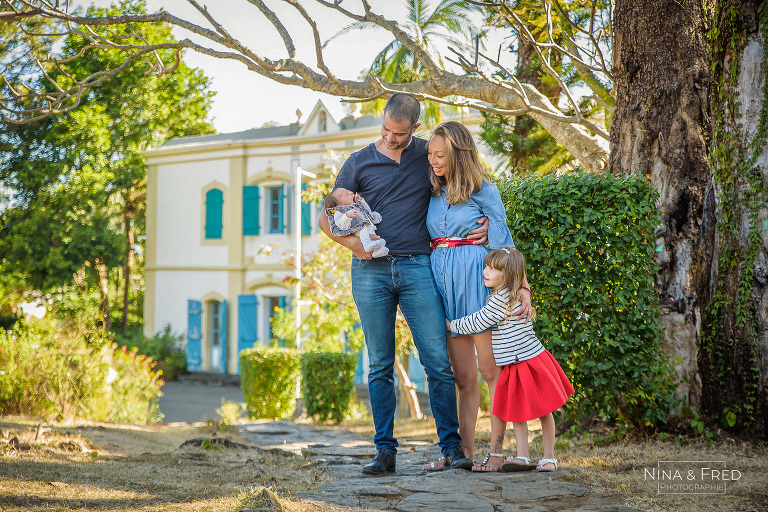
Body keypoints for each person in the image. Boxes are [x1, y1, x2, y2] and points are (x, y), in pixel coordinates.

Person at [318, 93, 483, 475]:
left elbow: (472, 184)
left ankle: (451, 449)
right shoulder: (357, 162)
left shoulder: (430, 154)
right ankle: (384, 452)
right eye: (386, 130)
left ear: (415, 128)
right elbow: (326, 217)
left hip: (417, 267)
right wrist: (354, 246)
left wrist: (487, 220)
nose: (391, 138)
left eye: (399, 133)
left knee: (437, 362)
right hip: (370, 272)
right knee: (379, 364)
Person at [424, 121, 532, 470]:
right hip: (445, 289)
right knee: (463, 378)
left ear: (458, 154)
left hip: (477, 288)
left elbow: (506, 249)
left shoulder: (484, 191)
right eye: (430, 155)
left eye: (440, 155)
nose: (434, 162)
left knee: (491, 371)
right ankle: (463, 454)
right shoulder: (432, 192)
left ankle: (499, 452)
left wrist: (525, 288)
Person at [448, 247, 574, 472]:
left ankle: (548, 457)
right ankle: (523, 456)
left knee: (543, 411)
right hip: (516, 362)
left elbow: (479, 321)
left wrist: (451, 325)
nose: (485, 271)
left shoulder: (502, 298)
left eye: (493, 269)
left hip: (529, 360)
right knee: (520, 411)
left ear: (507, 276)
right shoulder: (506, 293)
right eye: (486, 266)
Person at [324, 188, 389, 258]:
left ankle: (376, 252)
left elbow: (367, 210)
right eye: (347, 194)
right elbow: (341, 225)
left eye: (349, 191)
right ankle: (367, 244)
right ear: (339, 205)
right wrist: (347, 216)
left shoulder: (357, 205)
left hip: (370, 230)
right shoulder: (339, 212)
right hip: (359, 230)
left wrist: (361, 201)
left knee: (381, 241)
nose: (351, 193)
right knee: (363, 228)